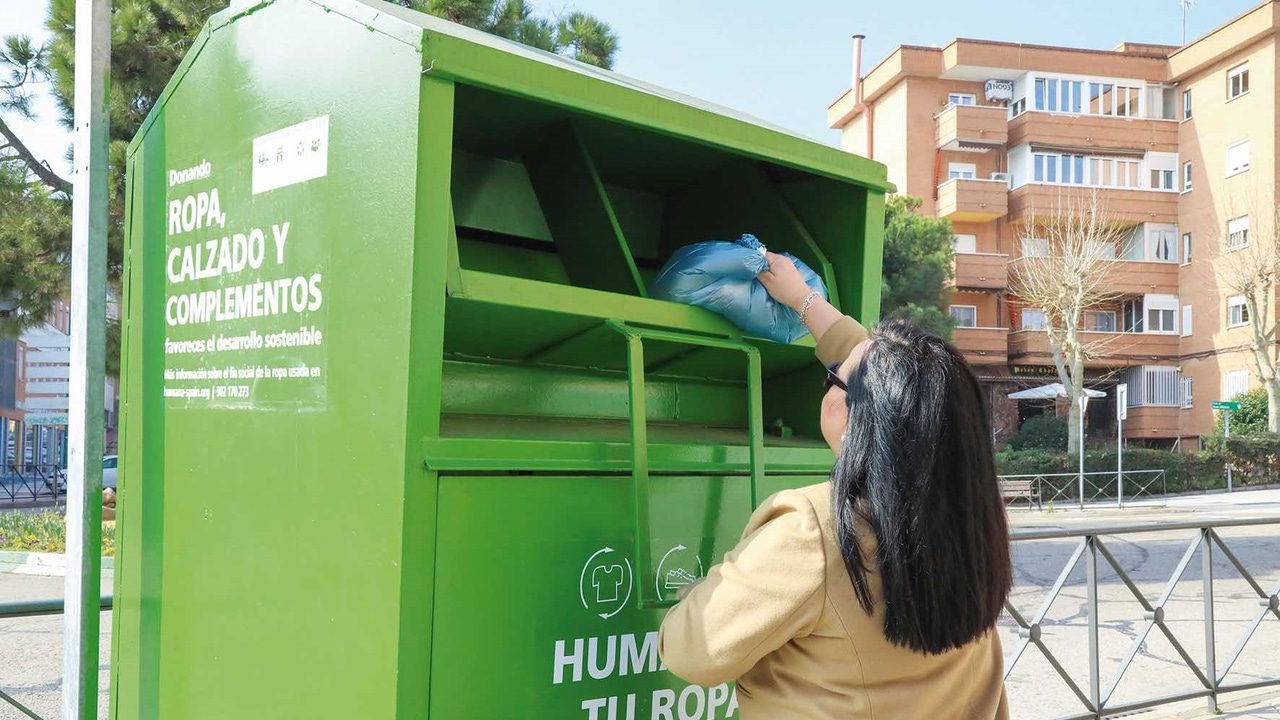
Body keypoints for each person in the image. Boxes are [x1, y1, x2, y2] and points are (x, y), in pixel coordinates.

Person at [658, 253, 1012, 719]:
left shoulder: (814, 531)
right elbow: (899, 379)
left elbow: (691, 651)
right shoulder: (970, 523)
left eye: (833, 379)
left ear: (860, 417)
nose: (828, 383)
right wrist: (803, 300)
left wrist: (706, 588)